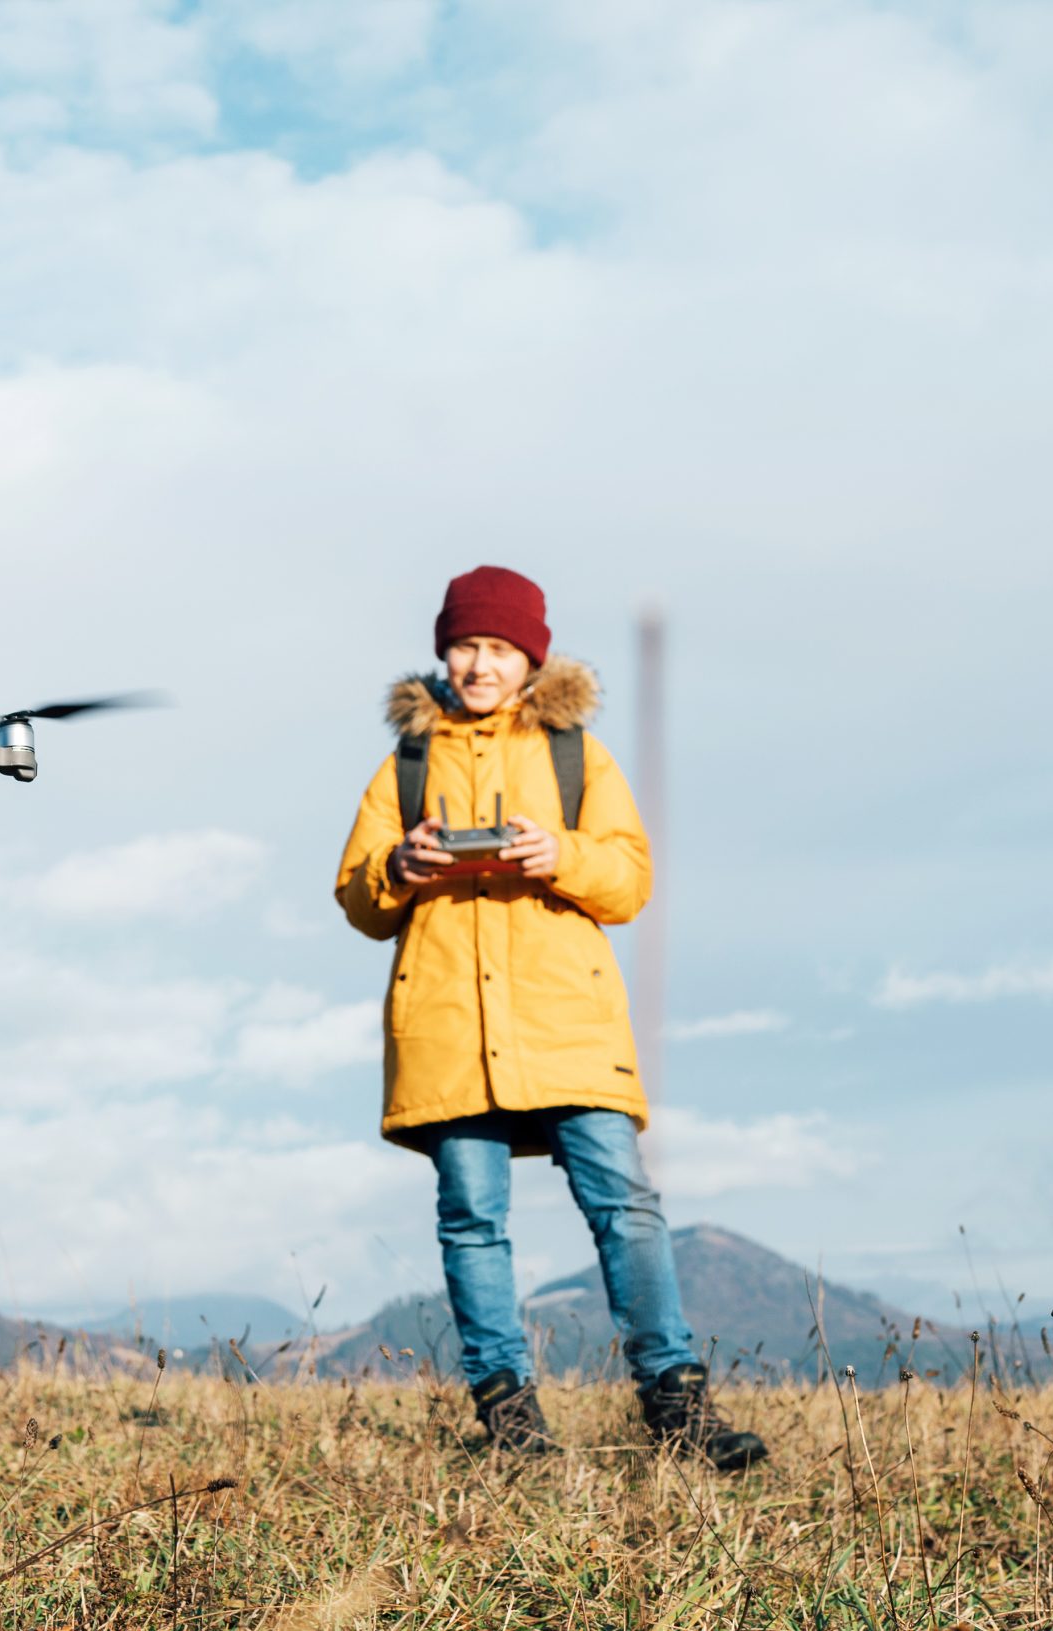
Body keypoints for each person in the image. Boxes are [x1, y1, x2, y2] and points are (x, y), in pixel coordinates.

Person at [334, 565, 766, 1469]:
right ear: (444, 650)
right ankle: (512, 1426)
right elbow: (359, 898)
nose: (478, 664)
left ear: (531, 658)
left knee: (626, 1206)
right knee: (471, 1218)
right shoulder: (406, 762)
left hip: (568, 1025)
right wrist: (400, 869)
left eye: (496, 647)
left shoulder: (577, 754)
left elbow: (630, 880)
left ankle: (678, 1410)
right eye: (464, 645)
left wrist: (555, 852)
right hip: (449, 1028)